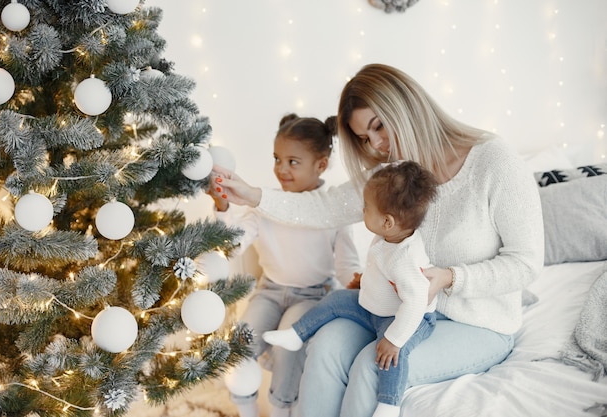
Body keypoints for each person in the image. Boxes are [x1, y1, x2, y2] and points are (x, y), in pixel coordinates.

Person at [211, 63, 544, 417]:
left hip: (476, 324)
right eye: (366, 139)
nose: (378, 145)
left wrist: (449, 278)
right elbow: (324, 207)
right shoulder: (394, 173)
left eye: (379, 127)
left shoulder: (495, 161)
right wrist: (253, 195)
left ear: (407, 105)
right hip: (396, 312)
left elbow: (525, 263)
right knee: (323, 347)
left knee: (373, 369)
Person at [209, 113, 361, 417]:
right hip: (270, 291)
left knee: (288, 347)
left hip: (312, 295)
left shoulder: (332, 211)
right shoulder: (265, 203)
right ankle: (247, 410)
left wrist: (355, 281)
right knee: (240, 345)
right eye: (277, 159)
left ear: (321, 165)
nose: (281, 169)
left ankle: (282, 410)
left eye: (293, 162)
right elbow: (230, 244)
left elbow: (346, 263)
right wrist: (222, 206)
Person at [263, 162, 438, 417]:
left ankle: (389, 403)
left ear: (387, 221)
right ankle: (296, 334)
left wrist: (394, 339)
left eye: (366, 208)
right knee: (335, 300)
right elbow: (383, 272)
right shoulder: (390, 236)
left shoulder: (405, 259)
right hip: (373, 306)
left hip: (403, 318)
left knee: (389, 357)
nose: (362, 210)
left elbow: (416, 302)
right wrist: (366, 282)